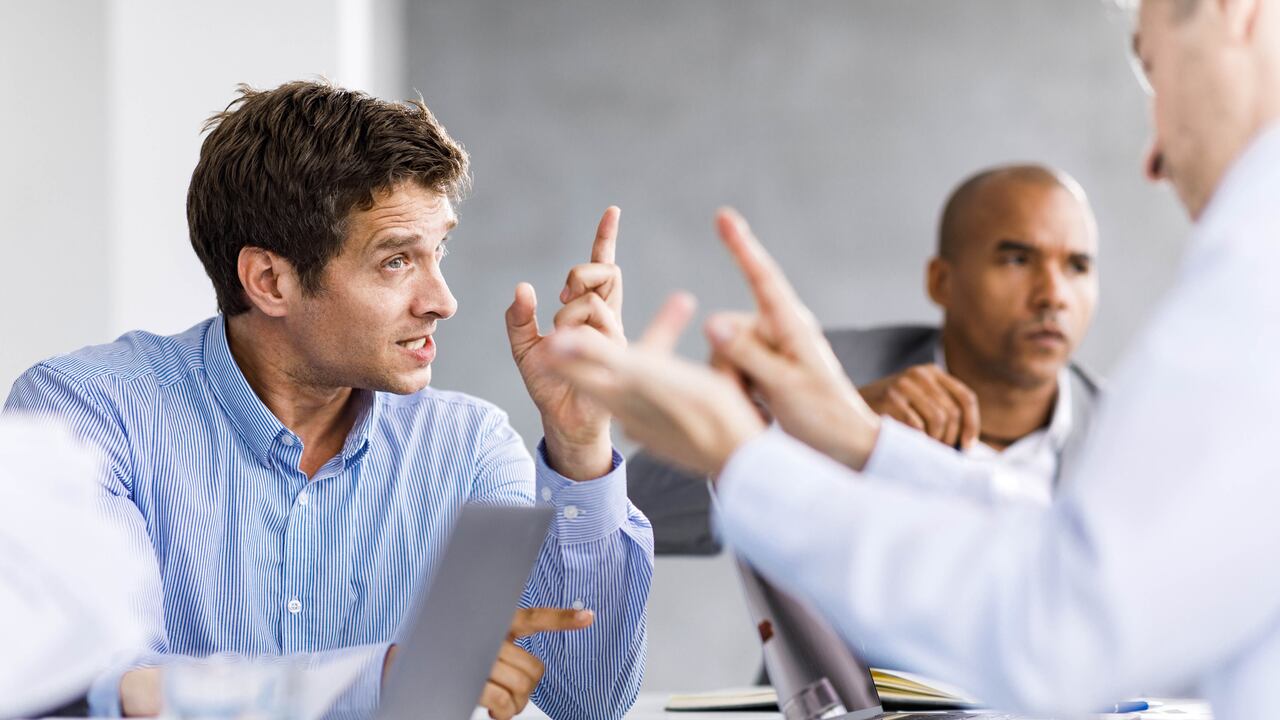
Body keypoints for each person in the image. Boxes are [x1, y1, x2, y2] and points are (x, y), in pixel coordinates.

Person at [541, 0, 1280, 717]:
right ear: (941, 280)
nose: (1152, 157)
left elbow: (1059, 629)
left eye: (1152, 69)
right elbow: (1066, 554)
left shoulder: (1252, 276)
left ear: (1235, 9)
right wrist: (858, 440)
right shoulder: (847, 375)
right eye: (1016, 259)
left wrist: (753, 457)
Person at [4, 81, 652, 720]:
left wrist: (579, 446)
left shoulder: (466, 447)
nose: (443, 301)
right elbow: (87, 691)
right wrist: (381, 679)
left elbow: (586, 703)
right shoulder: (84, 415)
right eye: (396, 261)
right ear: (270, 281)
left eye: (439, 252)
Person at [629, 164, 1102, 555]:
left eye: (1077, 266)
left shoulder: (1126, 435)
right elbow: (631, 511)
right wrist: (824, 434)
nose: (1054, 295)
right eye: (1017, 260)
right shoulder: (827, 373)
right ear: (941, 282)